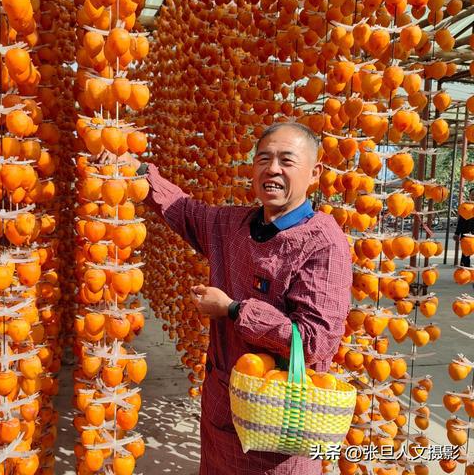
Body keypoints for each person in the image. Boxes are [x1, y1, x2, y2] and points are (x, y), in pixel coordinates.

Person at [92, 122, 353, 474]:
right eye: (264, 158)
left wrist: (233, 310)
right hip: (222, 409)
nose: (272, 168)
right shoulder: (234, 224)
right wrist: (134, 167)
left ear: (314, 173)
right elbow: (184, 211)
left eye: (286, 160)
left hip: (279, 423)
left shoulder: (323, 242)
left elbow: (314, 342)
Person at [454, 188, 474, 267]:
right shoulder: (465, 207)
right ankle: (465, 271)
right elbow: (461, 222)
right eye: (472, 195)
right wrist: (457, 233)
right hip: (466, 234)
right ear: (470, 195)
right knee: (466, 254)